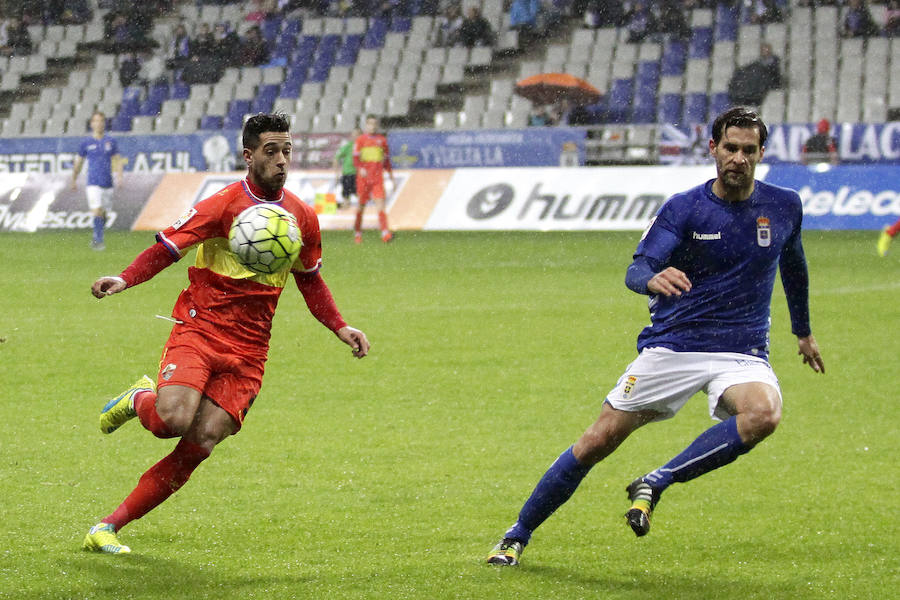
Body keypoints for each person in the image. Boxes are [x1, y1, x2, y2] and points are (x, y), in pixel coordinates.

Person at [486, 107, 825, 567]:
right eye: (730, 148)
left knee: (764, 414)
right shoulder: (685, 207)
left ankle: (656, 480)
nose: (738, 159)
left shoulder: (784, 205)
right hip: (673, 346)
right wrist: (650, 279)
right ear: (713, 149)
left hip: (740, 351)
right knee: (596, 441)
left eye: (749, 150)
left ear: (762, 153)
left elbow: (795, 266)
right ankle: (516, 535)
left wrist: (802, 332)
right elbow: (637, 268)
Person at [81, 113, 370, 555]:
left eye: (287, 151)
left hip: (250, 351)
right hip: (201, 329)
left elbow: (309, 279)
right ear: (248, 154)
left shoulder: (301, 218)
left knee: (201, 441)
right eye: (271, 151)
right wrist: (124, 279)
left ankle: (108, 527)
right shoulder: (221, 205)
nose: (281, 161)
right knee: (171, 420)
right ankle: (138, 399)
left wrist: (340, 325)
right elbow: (167, 249)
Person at [70, 112, 123, 251]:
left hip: (108, 183)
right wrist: (74, 179)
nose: (98, 123)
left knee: (104, 213)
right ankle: (98, 241)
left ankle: (98, 233)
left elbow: (117, 159)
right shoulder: (86, 143)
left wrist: (120, 176)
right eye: (96, 121)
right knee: (97, 211)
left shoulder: (111, 141)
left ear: (104, 123)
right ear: (92, 124)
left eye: (101, 121)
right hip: (93, 182)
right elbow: (79, 162)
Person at [352, 114, 395, 244]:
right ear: (366, 125)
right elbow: (355, 159)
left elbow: (386, 160)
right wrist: (360, 167)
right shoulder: (360, 140)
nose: (372, 126)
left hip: (377, 178)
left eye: (374, 124)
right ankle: (358, 232)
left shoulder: (382, 140)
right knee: (361, 206)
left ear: (377, 125)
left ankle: (385, 233)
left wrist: (391, 177)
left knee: (380, 205)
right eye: (370, 124)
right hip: (363, 179)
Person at [727, 42, 782, 107]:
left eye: (766, 49)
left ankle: (750, 96)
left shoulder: (774, 64)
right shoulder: (756, 64)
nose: (765, 52)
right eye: (763, 50)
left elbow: (775, 78)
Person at [333, 127, 361, 209]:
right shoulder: (348, 146)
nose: (355, 136)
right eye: (354, 134)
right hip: (348, 175)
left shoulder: (363, 146)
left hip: (358, 176)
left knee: (361, 199)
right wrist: (336, 173)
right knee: (346, 199)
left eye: (357, 134)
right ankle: (338, 207)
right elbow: (336, 158)